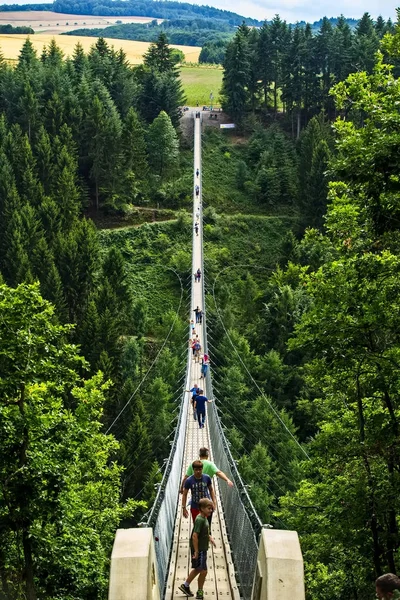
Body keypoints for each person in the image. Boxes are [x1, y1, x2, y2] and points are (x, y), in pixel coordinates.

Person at [179, 498, 216, 599]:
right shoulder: (200, 519)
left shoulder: (204, 518)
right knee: (202, 570)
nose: (211, 510)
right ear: (202, 508)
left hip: (202, 548)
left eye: (211, 508)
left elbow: (204, 531)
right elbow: (195, 536)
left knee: (199, 569)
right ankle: (198, 590)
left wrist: (210, 538)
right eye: (209, 508)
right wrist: (196, 551)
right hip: (199, 549)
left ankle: (186, 586)